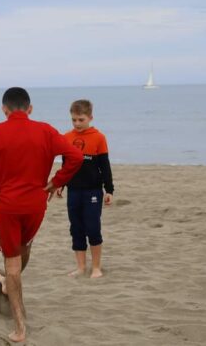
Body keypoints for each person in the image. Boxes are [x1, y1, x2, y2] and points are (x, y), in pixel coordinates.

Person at [0, 87, 83, 343]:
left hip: (7, 205)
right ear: (30, 108)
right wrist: (56, 181)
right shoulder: (45, 130)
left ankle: (20, 327)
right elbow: (76, 156)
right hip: (36, 205)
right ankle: (6, 284)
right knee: (24, 251)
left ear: (4, 109)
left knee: (12, 265)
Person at [56, 99, 114, 278]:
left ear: (90, 117)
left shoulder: (99, 138)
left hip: (93, 191)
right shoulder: (66, 138)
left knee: (93, 228)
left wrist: (109, 190)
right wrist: (61, 184)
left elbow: (105, 166)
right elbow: (66, 165)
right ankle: (81, 267)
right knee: (76, 229)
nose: (77, 123)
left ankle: (96, 267)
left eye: (81, 119)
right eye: (74, 120)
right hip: (74, 191)